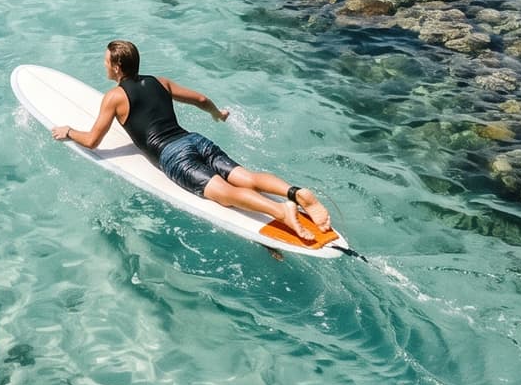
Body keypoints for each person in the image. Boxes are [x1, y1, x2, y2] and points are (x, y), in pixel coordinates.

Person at [51, 39, 334, 241]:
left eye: (105, 61)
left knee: (224, 194)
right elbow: (200, 99)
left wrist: (68, 132)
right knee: (245, 177)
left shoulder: (114, 97)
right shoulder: (160, 82)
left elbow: (92, 140)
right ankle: (297, 194)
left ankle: (280, 211)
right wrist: (217, 115)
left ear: (116, 68)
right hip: (195, 140)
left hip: (174, 156)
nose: (103, 64)